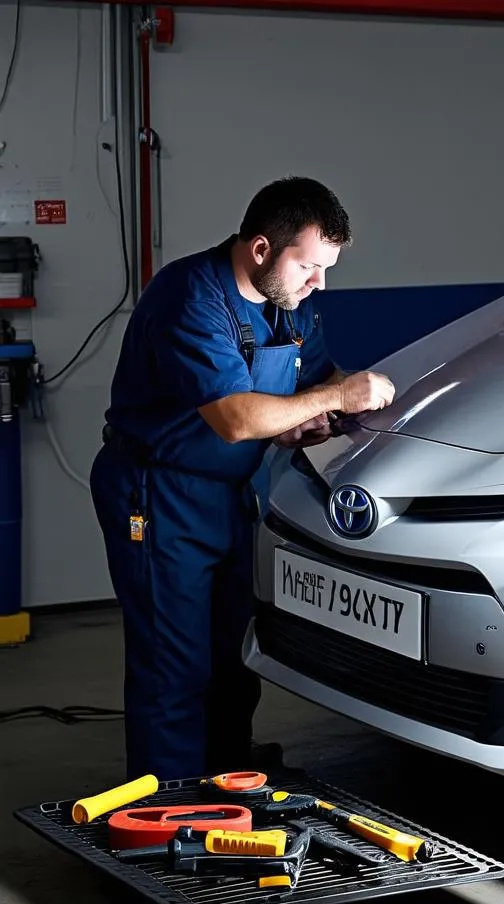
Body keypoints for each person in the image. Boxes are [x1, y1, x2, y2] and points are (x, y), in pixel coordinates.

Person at [89, 176, 394, 782]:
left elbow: (312, 383)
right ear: (261, 250)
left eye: (326, 269)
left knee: (233, 653)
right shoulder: (190, 298)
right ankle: (167, 805)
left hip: (230, 493)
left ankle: (225, 777)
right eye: (309, 267)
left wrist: (302, 419)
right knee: (174, 663)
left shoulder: (289, 302)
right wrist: (330, 397)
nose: (319, 284)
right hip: (158, 494)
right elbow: (233, 419)